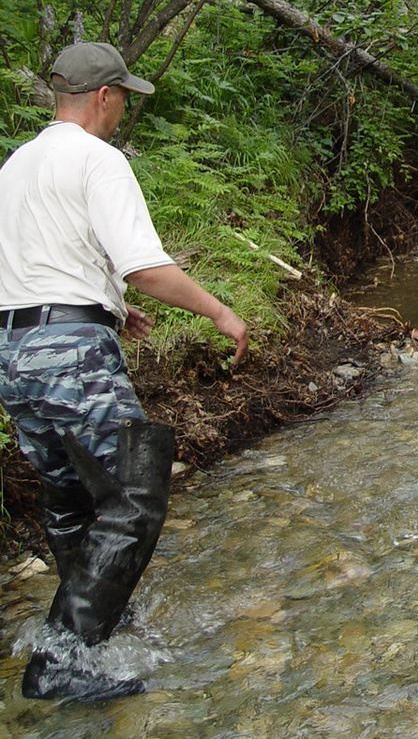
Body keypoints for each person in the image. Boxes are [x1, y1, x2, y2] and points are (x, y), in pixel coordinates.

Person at [0, 41, 249, 702]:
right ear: (103, 98)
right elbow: (144, 264)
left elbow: (42, 263)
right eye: (122, 101)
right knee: (135, 496)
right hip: (68, 354)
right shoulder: (97, 160)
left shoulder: (17, 164)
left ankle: (96, 628)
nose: (121, 114)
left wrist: (109, 311)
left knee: (71, 499)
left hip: (14, 351)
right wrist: (220, 312)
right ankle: (62, 660)